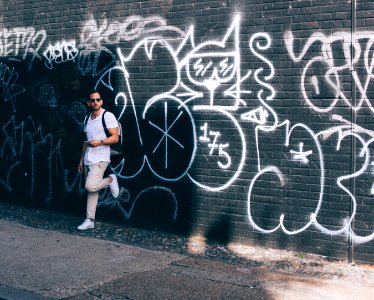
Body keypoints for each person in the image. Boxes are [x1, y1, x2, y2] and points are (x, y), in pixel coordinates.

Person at [77, 90, 120, 230]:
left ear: (101, 101)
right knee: (92, 190)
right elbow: (85, 141)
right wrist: (81, 160)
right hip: (89, 158)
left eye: (98, 100)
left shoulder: (107, 116)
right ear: (89, 103)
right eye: (92, 100)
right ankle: (90, 220)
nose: (95, 102)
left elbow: (115, 137)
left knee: (90, 186)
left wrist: (100, 143)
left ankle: (110, 180)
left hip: (101, 157)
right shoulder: (86, 119)